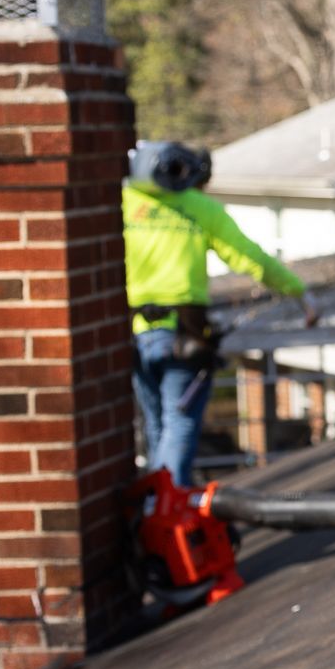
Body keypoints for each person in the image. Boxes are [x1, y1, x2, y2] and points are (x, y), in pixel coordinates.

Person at [124, 141, 317, 486]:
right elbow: (250, 257)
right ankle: (165, 506)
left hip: (133, 332)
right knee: (179, 422)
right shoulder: (200, 209)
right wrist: (298, 292)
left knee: (156, 425)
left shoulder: (123, 205)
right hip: (184, 333)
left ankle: (157, 506)